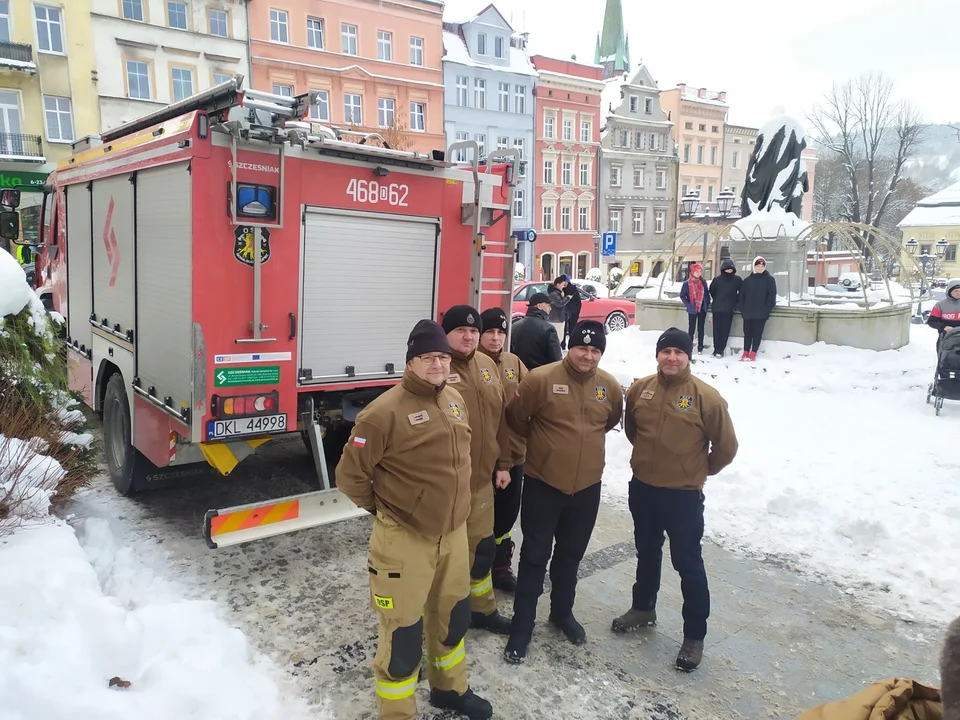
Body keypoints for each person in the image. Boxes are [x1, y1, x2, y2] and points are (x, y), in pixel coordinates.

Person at [335, 319, 493, 720]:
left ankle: (450, 690)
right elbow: (350, 477)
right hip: (405, 540)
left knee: (453, 618)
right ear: (410, 362)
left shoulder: (453, 398)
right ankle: (399, 715)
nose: (438, 364)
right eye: (428, 357)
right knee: (403, 636)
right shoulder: (381, 413)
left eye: (442, 356)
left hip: (453, 535)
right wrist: (385, 508)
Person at [612, 327, 738, 672]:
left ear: (688, 358)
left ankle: (694, 635)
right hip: (644, 489)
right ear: (657, 355)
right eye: (665, 351)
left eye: (678, 353)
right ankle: (643, 607)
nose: (671, 358)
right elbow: (632, 429)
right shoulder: (641, 389)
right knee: (647, 553)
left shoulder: (706, 397)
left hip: (683, 497)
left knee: (688, 564)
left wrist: (698, 471)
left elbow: (727, 447)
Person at [504, 320, 624, 664]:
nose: (587, 355)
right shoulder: (540, 379)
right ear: (569, 347)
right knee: (534, 558)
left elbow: (611, 420)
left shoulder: (609, 386)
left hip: (586, 488)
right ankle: (522, 626)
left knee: (570, 556)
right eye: (581, 348)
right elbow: (516, 418)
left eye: (595, 350)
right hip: (544, 484)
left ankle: (561, 613)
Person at [442, 305, 514, 635]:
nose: (469, 336)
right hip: (448, 486)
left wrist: (502, 464)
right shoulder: (436, 368)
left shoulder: (488, 366)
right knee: (446, 558)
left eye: (474, 331)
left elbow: (500, 420)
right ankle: (445, 620)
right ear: (447, 334)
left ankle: (482, 609)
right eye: (461, 330)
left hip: (483, 481)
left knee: (483, 549)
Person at [478, 307, 527, 592]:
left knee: (507, 515)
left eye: (501, 332)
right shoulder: (471, 364)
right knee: (482, 516)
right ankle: (477, 571)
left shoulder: (513, 362)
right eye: (489, 332)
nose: (496, 338)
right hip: (483, 457)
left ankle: (500, 566)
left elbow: (531, 392)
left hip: (514, 452)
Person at [737, 256, 777, 362]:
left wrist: (766, 309)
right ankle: (746, 351)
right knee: (747, 333)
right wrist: (742, 308)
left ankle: (753, 352)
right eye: (758, 266)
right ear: (754, 266)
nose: (760, 268)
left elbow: (772, 296)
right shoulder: (747, 281)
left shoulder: (769, 280)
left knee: (757, 333)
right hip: (748, 313)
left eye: (761, 266)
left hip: (761, 313)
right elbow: (741, 296)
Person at [510, 292, 563, 370]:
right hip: (540, 376)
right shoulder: (548, 329)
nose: (550, 309)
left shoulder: (515, 326)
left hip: (518, 374)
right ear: (539, 306)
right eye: (548, 305)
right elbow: (556, 360)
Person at [708, 258, 742, 358]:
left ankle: (720, 350)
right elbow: (712, 291)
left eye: (730, 269)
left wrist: (736, 302)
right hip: (718, 308)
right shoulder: (717, 279)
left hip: (728, 309)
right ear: (723, 269)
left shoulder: (737, 280)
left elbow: (742, 292)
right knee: (717, 330)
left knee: (725, 330)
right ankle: (716, 349)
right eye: (727, 269)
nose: (729, 271)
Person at [679, 264, 710, 354]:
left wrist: (706, 304)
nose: (698, 273)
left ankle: (700, 347)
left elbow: (706, 294)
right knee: (691, 329)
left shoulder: (703, 282)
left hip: (702, 308)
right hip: (692, 309)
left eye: (700, 271)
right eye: (697, 271)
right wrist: (689, 305)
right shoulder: (687, 283)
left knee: (701, 328)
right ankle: (689, 346)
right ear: (693, 272)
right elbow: (682, 296)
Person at [927, 278, 960, 353]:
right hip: (946, 338)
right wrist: (944, 327)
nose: (959, 293)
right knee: (945, 360)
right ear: (949, 291)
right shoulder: (940, 305)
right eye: (956, 291)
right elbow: (932, 321)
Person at [546, 275, 572, 342]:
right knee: (556, 339)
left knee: (559, 338)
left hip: (559, 318)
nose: (563, 286)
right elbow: (560, 304)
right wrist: (567, 297)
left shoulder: (558, 293)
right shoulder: (554, 294)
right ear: (557, 284)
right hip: (555, 319)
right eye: (563, 284)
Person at [561, 281, 582, 350]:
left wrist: (577, 313)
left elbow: (579, 302)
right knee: (566, 330)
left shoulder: (572, 289)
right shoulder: (562, 290)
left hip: (570, 313)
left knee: (569, 330)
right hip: (567, 313)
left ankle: (568, 345)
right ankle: (566, 345)